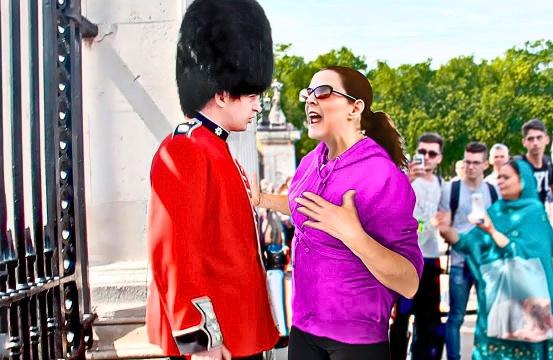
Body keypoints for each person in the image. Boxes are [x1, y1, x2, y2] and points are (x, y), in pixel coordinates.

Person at [252, 66, 423, 360]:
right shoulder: (310, 160)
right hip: (304, 330)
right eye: (308, 93)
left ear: (355, 108)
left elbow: (409, 282)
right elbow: (303, 207)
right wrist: (262, 199)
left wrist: (353, 235)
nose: (309, 100)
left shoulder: (382, 175)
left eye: (322, 92)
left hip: (356, 341)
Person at [145, 1, 279, 359]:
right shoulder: (184, 149)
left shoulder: (216, 148)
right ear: (222, 93)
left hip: (238, 328)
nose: (256, 106)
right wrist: (199, 338)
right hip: (215, 338)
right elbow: (173, 252)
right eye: (251, 95)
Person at [434, 159, 553, 359]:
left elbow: (532, 257)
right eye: (499, 177)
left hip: (528, 302)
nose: (500, 182)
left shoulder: (534, 213)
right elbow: (470, 244)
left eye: (506, 177)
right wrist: (445, 229)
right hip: (497, 300)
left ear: (522, 180)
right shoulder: (496, 211)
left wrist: (492, 231)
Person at [438, 142, 499, 360]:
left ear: (485, 165)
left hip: (486, 262)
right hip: (459, 262)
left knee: (488, 316)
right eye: (467, 162)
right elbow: (443, 226)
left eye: (476, 163)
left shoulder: (493, 190)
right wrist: (464, 243)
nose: (471, 167)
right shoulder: (451, 189)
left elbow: (499, 225)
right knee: (456, 317)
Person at [390, 133, 445, 360]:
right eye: (422, 152)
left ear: (440, 158)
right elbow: (386, 206)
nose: (426, 158)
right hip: (405, 259)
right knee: (400, 318)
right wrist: (406, 181)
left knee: (428, 319)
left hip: (430, 258)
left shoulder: (443, 185)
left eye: (432, 153)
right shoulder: (402, 178)